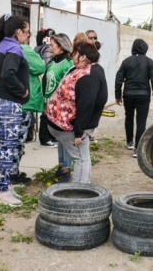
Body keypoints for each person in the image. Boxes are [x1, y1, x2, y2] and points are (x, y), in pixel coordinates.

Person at [46, 42, 108, 183]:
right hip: (63, 124)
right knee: (82, 158)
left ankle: (79, 196)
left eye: (74, 53)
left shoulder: (88, 76)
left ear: (82, 57)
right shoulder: (86, 69)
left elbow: (87, 104)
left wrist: (79, 131)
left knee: (81, 159)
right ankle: (82, 188)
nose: (71, 55)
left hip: (71, 127)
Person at [0, 14, 31, 206]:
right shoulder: (13, 48)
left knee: (7, 145)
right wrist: (22, 91)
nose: (28, 36)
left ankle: (4, 186)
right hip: (8, 103)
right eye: (27, 32)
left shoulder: (1, 46)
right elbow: (8, 74)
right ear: (18, 32)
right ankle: (2, 191)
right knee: (8, 147)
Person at [115, 39, 153, 157]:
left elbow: (118, 79)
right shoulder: (150, 62)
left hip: (128, 94)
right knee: (141, 121)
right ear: (145, 49)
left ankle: (129, 142)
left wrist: (117, 96)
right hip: (143, 95)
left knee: (128, 117)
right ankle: (137, 148)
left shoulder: (126, 62)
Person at [13, 33, 46, 184]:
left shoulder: (0, 50)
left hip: (9, 102)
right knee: (18, 140)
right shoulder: (23, 50)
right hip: (24, 103)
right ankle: (13, 174)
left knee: (11, 140)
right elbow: (40, 67)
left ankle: (11, 172)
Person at [44, 34, 74, 182]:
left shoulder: (68, 63)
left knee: (65, 138)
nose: (51, 48)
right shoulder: (53, 62)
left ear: (61, 46)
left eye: (53, 45)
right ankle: (61, 164)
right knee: (59, 139)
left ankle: (67, 169)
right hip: (51, 107)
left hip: (62, 108)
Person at [34, 28, 55, 146]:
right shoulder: (47, 49)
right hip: (47, 80)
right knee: (47, 110)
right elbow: (48, 65)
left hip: (40, 81)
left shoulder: (37, 48)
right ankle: (45, 137)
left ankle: (46, 136)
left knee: (45, 109)